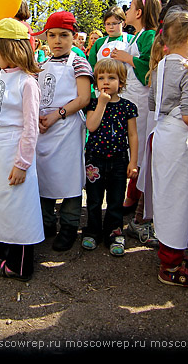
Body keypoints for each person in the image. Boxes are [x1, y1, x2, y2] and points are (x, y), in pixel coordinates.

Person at [142, 11, 188, 288]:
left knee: (165, 194)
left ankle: (170, 250)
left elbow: (152, 105)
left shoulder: (159, 68)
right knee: (179, 198)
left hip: (161, 135)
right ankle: (170, 263)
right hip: (180, 141)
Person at [0, 18, 43, 281]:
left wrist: (22, 163)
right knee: (1, 203)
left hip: (14, 150)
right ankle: (3, 249)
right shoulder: (2, 76)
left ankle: (21, 264)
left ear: (11, 49)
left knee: (18, 206)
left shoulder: (27, 83)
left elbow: (30, 127)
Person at [31, 11, 93, 251]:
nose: (57, 41)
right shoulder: (41, 65)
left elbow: (84, 97)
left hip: (66, 128)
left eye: (64, 35)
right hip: (43, 128)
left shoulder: (78, 62)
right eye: (52, 35)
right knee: (43, 175)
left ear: (73, 37)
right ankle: (47, 223)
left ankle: (69, 225)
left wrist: (57, 115)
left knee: (68, 178)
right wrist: (37, 116)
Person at [80, 58, 138, 256]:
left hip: (119, 161)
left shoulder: (128, 107)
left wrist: (133, 161)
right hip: (95, 160)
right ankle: (93, 231)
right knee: (94, 199)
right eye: (101, 77)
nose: (106, 81)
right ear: (95, 82)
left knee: (116, 199)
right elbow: (91, 126)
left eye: (111, 77)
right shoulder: (93, 104)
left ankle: (114, 232)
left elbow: (133, 135)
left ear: (120, 82)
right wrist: (102, 104)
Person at [115, 0, 160, 245]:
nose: (127, 11)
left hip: (141, 102)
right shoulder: (138, 36)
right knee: (134, 147)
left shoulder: (150, 36)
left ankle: (136, 196)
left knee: (139, 147)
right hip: (131, 97)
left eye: (130, 7)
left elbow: (149, 68)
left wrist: (127, 58)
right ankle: (132, 196)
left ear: (140, 12)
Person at [86, 6, 133, 71]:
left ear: (123, 23)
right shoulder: (99, 42)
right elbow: (91, 65)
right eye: (108, 24)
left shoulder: (131, 39)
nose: (111, 27)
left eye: (114, 23)